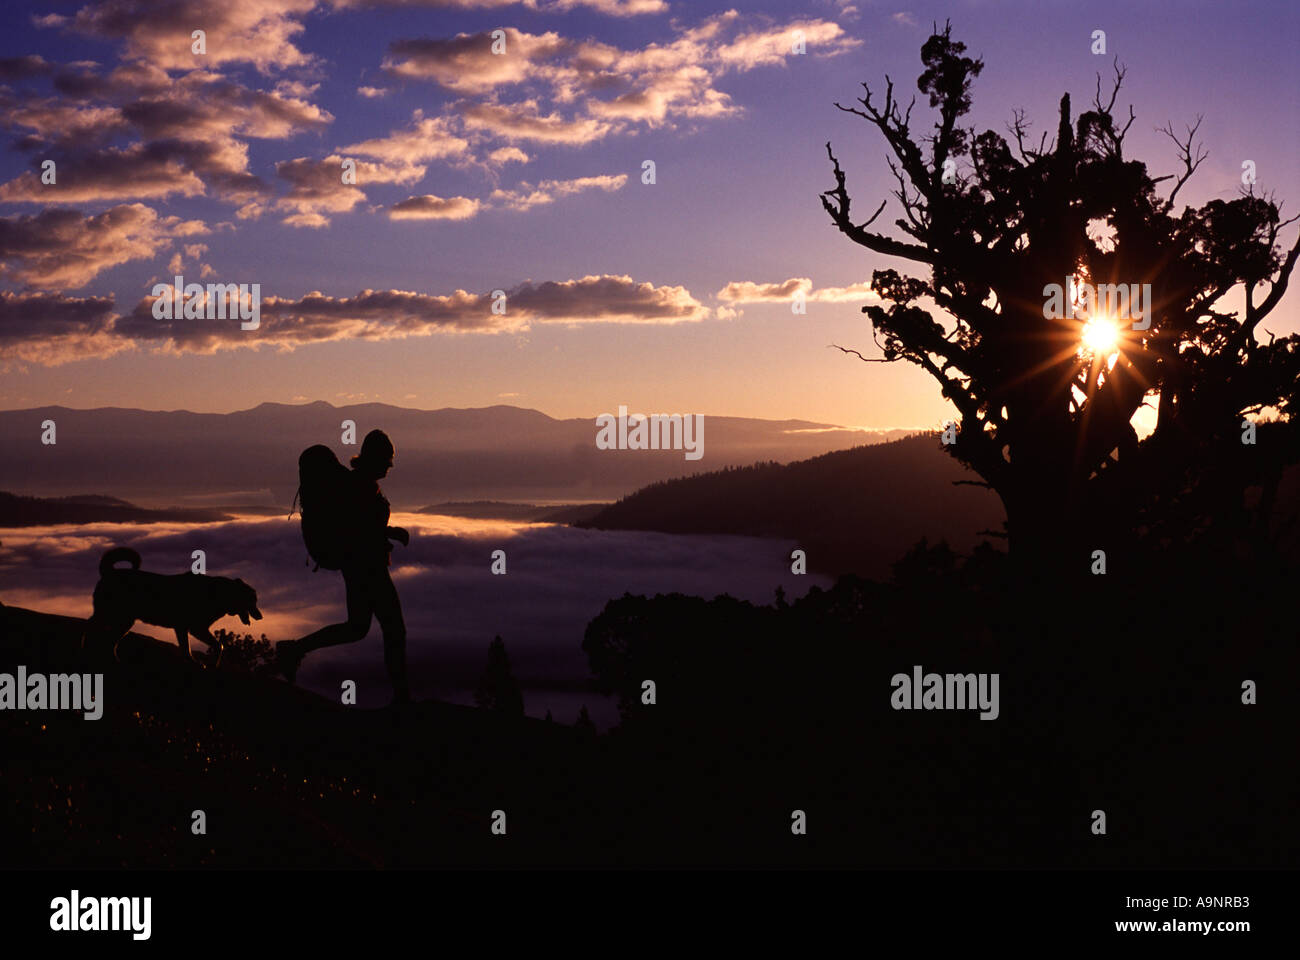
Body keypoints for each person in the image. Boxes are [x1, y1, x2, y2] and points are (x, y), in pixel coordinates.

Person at [276, 429, 411, 704]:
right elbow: (357, 530)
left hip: (359, 564)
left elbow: (359, 527)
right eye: (387, 458)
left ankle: (294, 649)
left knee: (357, 628)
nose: (390, 465)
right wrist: (389, 533)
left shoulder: (359, 483)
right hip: (366, 566)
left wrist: (387, 532)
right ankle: (402, 699)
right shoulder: (359, 486)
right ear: (374, 457)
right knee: (394, 629)